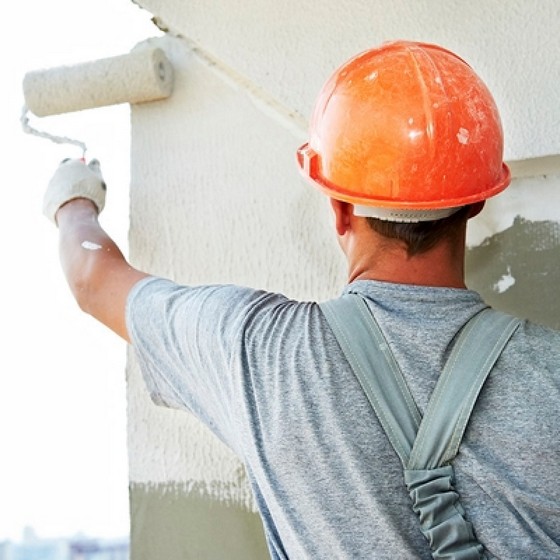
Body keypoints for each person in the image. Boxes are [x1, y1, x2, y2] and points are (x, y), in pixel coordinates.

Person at [43, 41, 559, 559]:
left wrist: (74, 198)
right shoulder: (551, 371)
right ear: (473, 202)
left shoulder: (259, 353)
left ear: (339, 209)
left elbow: (92, 277)